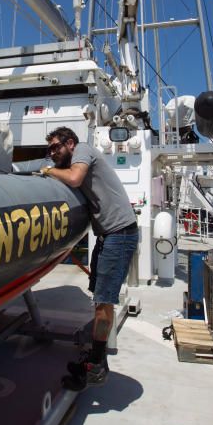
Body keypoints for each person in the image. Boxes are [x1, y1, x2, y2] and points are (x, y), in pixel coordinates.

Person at [42, 126, 138, 390]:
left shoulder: (83, 149)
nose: (52, 153)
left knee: (103, 302)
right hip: (108, 236)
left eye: (56, 147)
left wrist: (48, 170)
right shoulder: (74, 157)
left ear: (70, 143)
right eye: (49, 150)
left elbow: (74, 179)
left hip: (119, 234)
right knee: (99, 296)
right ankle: (95, 358)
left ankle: (96, 364)